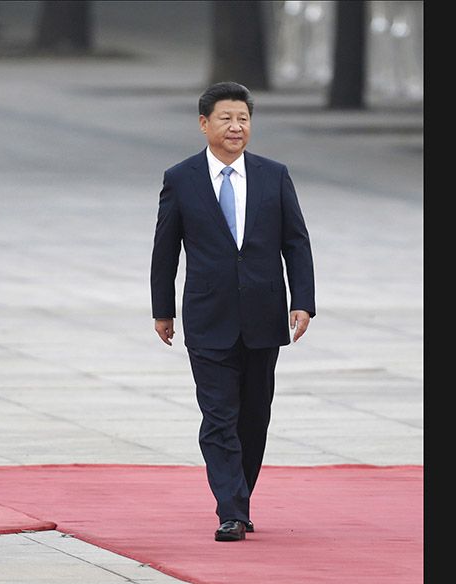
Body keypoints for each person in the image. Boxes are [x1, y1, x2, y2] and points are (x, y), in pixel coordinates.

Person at [149, 81, 315, 542]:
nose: (236, 126)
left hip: (264, 315)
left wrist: (303, 301)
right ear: (204, 124)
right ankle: (231, 509)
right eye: (226, 118)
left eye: (243, 118)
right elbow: (166, 249)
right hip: (208, 316)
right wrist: (162, 309)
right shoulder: (180, 178)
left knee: (254, 417)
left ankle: (239, 498)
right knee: (218, 416)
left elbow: (295, 242)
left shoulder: (273, 175)